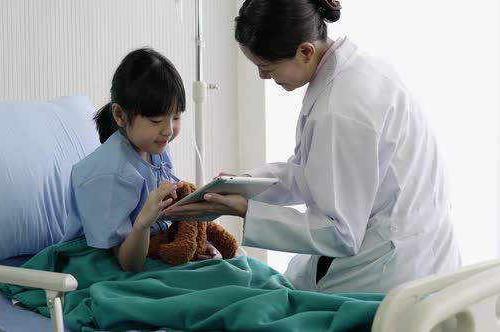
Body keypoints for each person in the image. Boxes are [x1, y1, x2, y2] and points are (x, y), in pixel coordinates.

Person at [166, 0, 461, 293]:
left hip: (389, 270)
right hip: (420, 250)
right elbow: (310, 172)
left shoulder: (340, 110)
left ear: (305, 51)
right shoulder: (361, 70)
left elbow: (339, 234)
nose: (263, 77)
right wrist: (242, 184)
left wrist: (247, 210)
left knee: (257, 304)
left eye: (267, 68)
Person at [62, 48, 189, 272]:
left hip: (149, 249)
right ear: (120, 115)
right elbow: (127, 263)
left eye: (176, 117)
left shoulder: (155, 146)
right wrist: (142, 223)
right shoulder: (111, 175)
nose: (168, 130)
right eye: (156, 119)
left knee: (238, 272)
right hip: (104, 264)